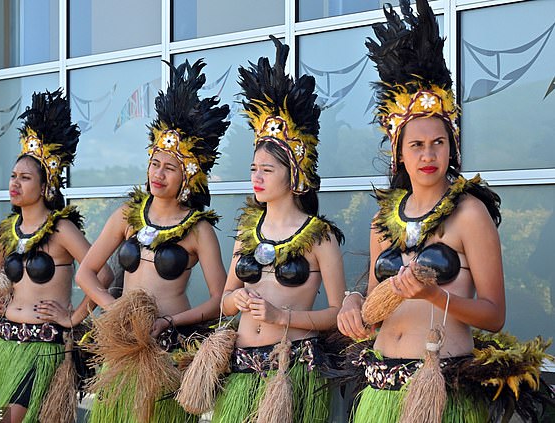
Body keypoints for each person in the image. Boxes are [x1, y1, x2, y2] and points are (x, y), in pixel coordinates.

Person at [337, 1, 552, 422]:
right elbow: (373, 297)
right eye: (416, 144)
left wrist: (436, 295)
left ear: (453, 145)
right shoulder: (385, 218)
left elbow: (494, 314)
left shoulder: (470, 213)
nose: (428, 154)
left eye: (438, 142)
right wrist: (350, 301)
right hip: (379, 388)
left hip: (441, 389)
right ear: (399, 153)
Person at [75, 59, 230, 423]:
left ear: (188, 175)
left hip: (167, 350)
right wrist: (113, 311)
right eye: (155, 163)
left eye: (170, 167)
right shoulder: (128, 215)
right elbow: (86, 273)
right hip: (125, 345)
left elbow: (221, 301)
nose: (158, 173)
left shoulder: (198, 229)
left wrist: (171, 321)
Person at [209, 36, 345, 423]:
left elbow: (336, 314)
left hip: (292, 370)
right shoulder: (247, 230)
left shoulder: (320, 236)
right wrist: (235, 302)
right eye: (254, 169)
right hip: (240, 369)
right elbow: (224, 299)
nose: (257, 177)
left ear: (295, 175)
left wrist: (279, 315)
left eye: (267, 170)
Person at [0, 89, 113, 423]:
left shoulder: (61, 229)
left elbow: (102, 276)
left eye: (25, 178)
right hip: (6, 346)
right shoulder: (9, 228)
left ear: (45, 185)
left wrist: (73, 318)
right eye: (13, 176)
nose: (15, 184)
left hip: (44, 349)